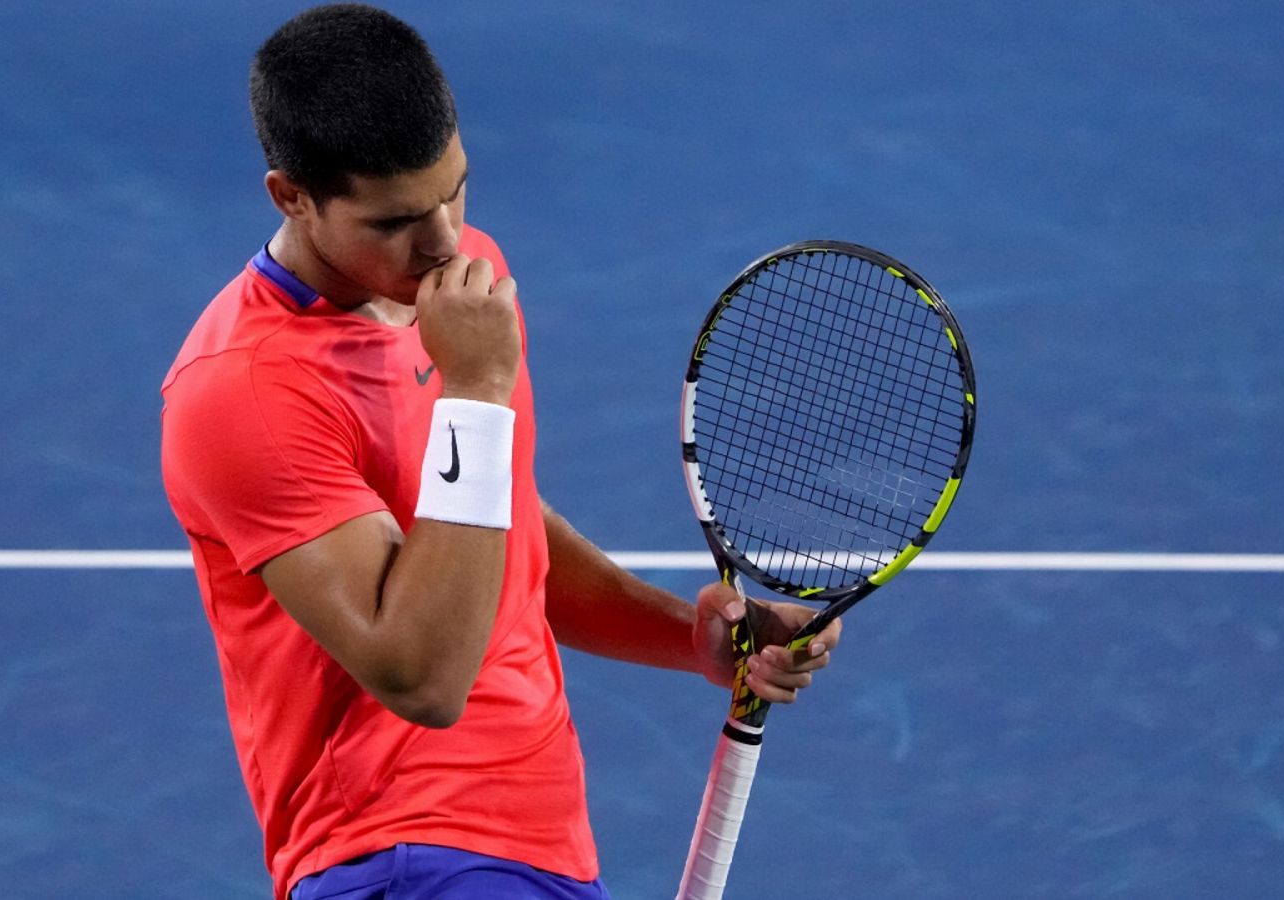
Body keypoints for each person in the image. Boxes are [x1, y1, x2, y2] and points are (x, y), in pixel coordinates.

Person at [159, 5, 841, 898]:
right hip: (403, 856)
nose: (443, 241)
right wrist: (475, 389)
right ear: (291, 196)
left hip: (533, 842)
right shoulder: (244, 392)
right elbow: (424, 679)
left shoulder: (459, 286)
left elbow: (497, 527)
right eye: (396, 220)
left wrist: (694, 641)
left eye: (455, 191)